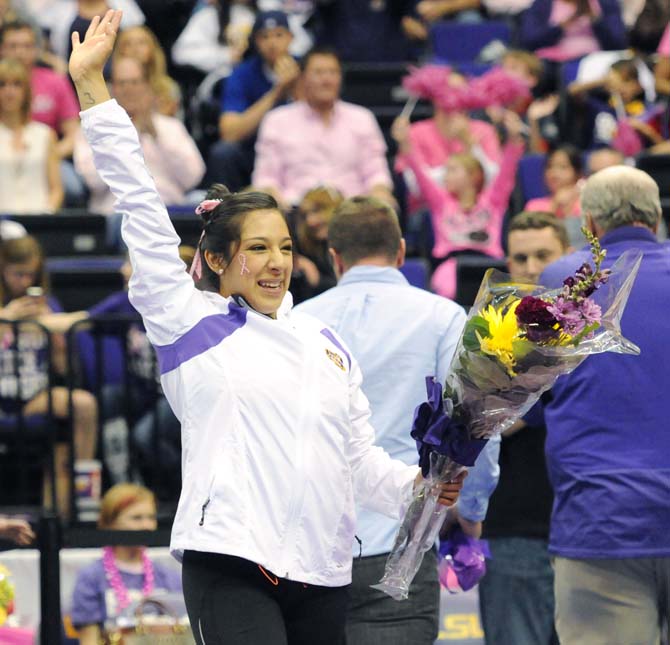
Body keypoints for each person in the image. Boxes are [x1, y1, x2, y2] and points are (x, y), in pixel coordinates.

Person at [68, 12, 465, 644]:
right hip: (229, 556)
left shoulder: (325, 344)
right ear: (219, 260)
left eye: (283, 246)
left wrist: (423, 489)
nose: (276, 261)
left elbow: (359, 462)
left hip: (324, 567)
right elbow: (139, 202)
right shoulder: (187, 319)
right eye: (257, 248)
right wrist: (94, 89)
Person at [294, 196, 501, 645]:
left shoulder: (297, 321)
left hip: (310, 550)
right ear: (402, 251)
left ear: (334, 258)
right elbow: (478, 426)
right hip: (402, 545)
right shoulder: (442, 316)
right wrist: (470, 514)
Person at [538, 165, 670, 645]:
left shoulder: (564, 278)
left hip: (602, 518)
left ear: (588, 224)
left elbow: (528, 398)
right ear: (655, 220)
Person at [478, 211, 569, 645]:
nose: (532, 268)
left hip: (587, 526)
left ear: (567, 257)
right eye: (521, 258)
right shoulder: (485, 333)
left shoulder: (600, 329)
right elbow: (481, 422)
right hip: (514, 524)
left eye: (544, 256)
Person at [0, 235, 98, 516]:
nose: (24, 280)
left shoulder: (48, 305)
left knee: (84, 405)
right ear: (3, 269)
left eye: (31, 273)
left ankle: (82, 502)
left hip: (33, 396)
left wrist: (57, 342)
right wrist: (7, 317)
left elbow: (64, 370)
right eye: (17, 274)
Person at [392, 110, 525, 299]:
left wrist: (513, 139)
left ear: (474, 175)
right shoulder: (441, 203)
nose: (446, 175)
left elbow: (507, 172)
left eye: (453, 170)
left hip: (489, 263)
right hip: (451, 264)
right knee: (446, 289)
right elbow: (421, 174)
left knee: (499, 297)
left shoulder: (493, 201)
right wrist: (405, 143)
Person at [252, 46, 397, 209]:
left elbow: (376, 173)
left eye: (333, 72)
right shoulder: (277, 120)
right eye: (319, 73)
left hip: (351, 211)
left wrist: (380, 192)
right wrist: (277, 203)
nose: (326, 80)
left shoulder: (362, 118)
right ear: (303, 78)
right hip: (295, 211)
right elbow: (265, 178)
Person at [74, 55, 205, 216]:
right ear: (112, 88)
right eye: (122, 83)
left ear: (147, 85)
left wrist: (157, 137)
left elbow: (193, 177)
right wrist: (119, 136)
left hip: (168, 209)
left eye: (135, 82)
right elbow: (93, 181)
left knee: (200, 200)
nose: (129, 89)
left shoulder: (170, 126)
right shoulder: (96, 127)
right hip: (119, 210)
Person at [70, 483, 182, 645]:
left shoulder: (169, 576)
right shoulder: (91, 577)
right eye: (136, 518)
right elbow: (89, 640)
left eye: (151, 517)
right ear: (110, 523)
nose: (147, 526)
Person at [208, 9, 300, 191]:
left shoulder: (305, 68)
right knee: (223, 152)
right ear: (256, 42)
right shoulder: (241, 74)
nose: (272, 43)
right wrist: (277, 92)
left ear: (291, 38)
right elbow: (229, 132)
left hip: (296, 148)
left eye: (279, 35)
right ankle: (228, 213)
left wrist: (296, 88)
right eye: (264, 37)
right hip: (253, 149)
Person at [0, 19, 83, 206]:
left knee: (72, 185)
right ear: (2, 49)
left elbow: (73, 135)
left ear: (36, 49)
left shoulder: (55, 81)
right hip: (5, 144)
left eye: (26, 46)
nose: (19, 52)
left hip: (48, 149)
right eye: (13, 46)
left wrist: (49, 153)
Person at [0, 58, 63, 213]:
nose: (9, 91)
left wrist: (47, 214)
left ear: (26, 91)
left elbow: (56, 189)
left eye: (16, 84)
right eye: (2, 84)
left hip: (39, 222)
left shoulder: (45, 135)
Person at [289, 185, 341, 305]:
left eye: (317, 211)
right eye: (305, 215)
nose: (310, 221)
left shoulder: (350, 241)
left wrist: (318, 280)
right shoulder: (306, 244)